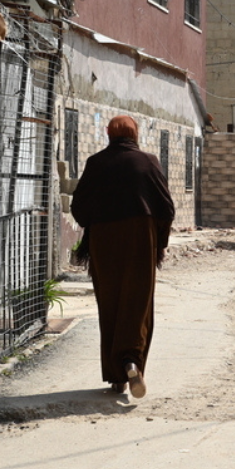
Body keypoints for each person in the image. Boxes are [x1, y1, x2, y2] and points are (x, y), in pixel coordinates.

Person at [71, 115, 175, 399]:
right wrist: (159, 245)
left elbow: (78, 209)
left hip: (104, 244)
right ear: (135, 134)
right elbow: (166, 209)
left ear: (109, 134)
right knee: (137, 304)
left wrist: (99, 223)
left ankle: (116, 377)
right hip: (141, 241)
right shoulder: (148, 162)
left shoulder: (96, 163)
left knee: (111, 303)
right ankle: (132, 363)